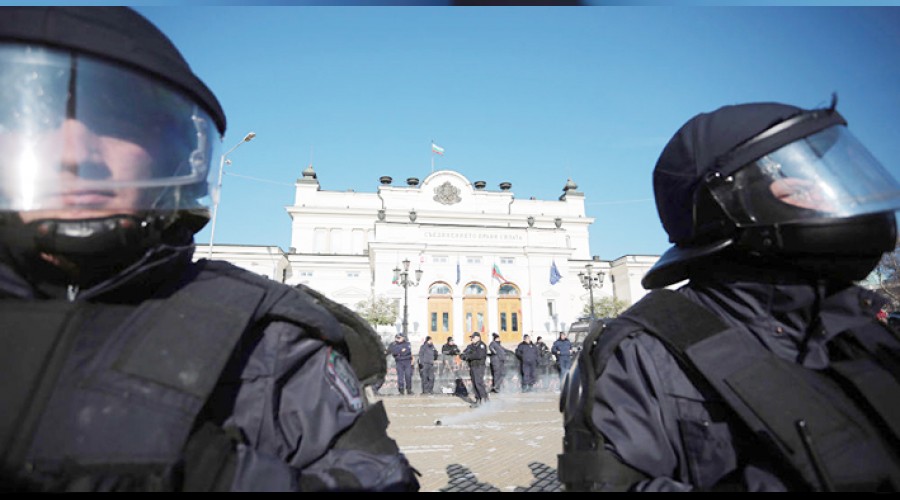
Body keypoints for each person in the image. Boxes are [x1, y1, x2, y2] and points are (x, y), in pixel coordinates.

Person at [0, 7, 419, 492]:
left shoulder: (268, 344)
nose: (75, 153)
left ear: (175, 149)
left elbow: (376, 476)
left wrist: (228, 476)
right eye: (26, 111)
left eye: (115, 117)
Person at [559, 99, 900, 492]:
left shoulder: (862, 326)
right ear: (731, 201)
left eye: (832, 183)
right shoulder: (644, 352)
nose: (834, 199)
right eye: (803, 187)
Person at [460, 332, 489, 407]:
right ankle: (478, 400)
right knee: (474, 384)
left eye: (473, 337)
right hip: (472, 366)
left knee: (478, 382)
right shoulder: (471, 346)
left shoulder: (482, 345)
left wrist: (468, 356)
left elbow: (479, 355)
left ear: (478, 337)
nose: (471, 339)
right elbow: (464, 353)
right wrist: (463, 356)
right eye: (471, 337)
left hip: (479, 366)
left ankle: (485, 399)